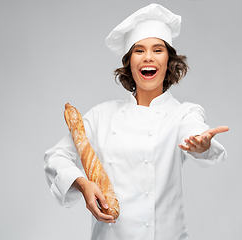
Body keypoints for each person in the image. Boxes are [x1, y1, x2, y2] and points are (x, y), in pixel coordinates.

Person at [44, 3, 229, 240]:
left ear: (169, 61)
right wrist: (83, 184)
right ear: (129, 62)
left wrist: (201, 143)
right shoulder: (102, 115)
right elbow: (55, 157)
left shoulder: (183, 113)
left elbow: (194, 130)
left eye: (158, 50)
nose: (148, 57)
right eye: (139, 50)